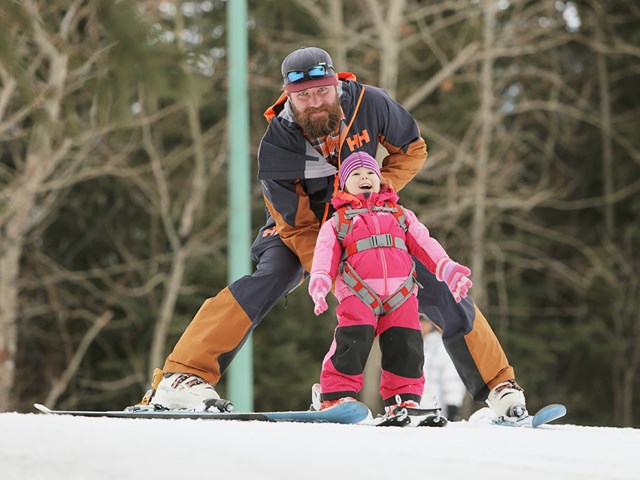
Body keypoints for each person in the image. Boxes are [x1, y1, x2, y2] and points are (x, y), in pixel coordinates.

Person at [142, 46, 527, 421]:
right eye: (303, 96)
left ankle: (500, 387)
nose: (314, 102)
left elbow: (413, 149)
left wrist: (377, 197)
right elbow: (297, 224)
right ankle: (185, 374)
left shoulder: (371, 103)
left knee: (438, 286)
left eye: (322, 91)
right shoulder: (277, 144)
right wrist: (335, 271)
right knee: (271, 277)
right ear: (288, 96)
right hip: (301, 230)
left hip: (371, 218)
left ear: (336, 84)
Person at [307, 151, 472, 412]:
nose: (365, 177)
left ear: (379, 179)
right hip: (357, 292)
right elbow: (325, 254)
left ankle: (404, 399)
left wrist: (447, 267)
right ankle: (336, 394)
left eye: (371, 173)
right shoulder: (338, 222)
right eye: (357, 174)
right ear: (343, 183)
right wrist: (319, 281)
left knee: (406, 345)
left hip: (402, 294)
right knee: (352, 341)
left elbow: (425, 244)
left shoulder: (401, 216)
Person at [419, 314, 466, 420]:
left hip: (436, 412)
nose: (421, 325)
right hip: (413, 411)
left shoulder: (440, 345)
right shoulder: (410, 343)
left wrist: (452, 406)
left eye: (424, 321)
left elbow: (452, 377)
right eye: (418, 320)